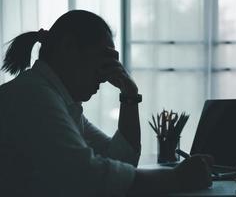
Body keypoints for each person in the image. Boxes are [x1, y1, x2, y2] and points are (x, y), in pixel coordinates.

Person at [0, 10, 212, 197]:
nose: (107, 71)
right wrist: (176, 178)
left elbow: (121, 161)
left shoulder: (62, 103)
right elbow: (88, 178)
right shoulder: (32, 95)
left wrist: (130, 94)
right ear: (68, 47)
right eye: (104, 58)